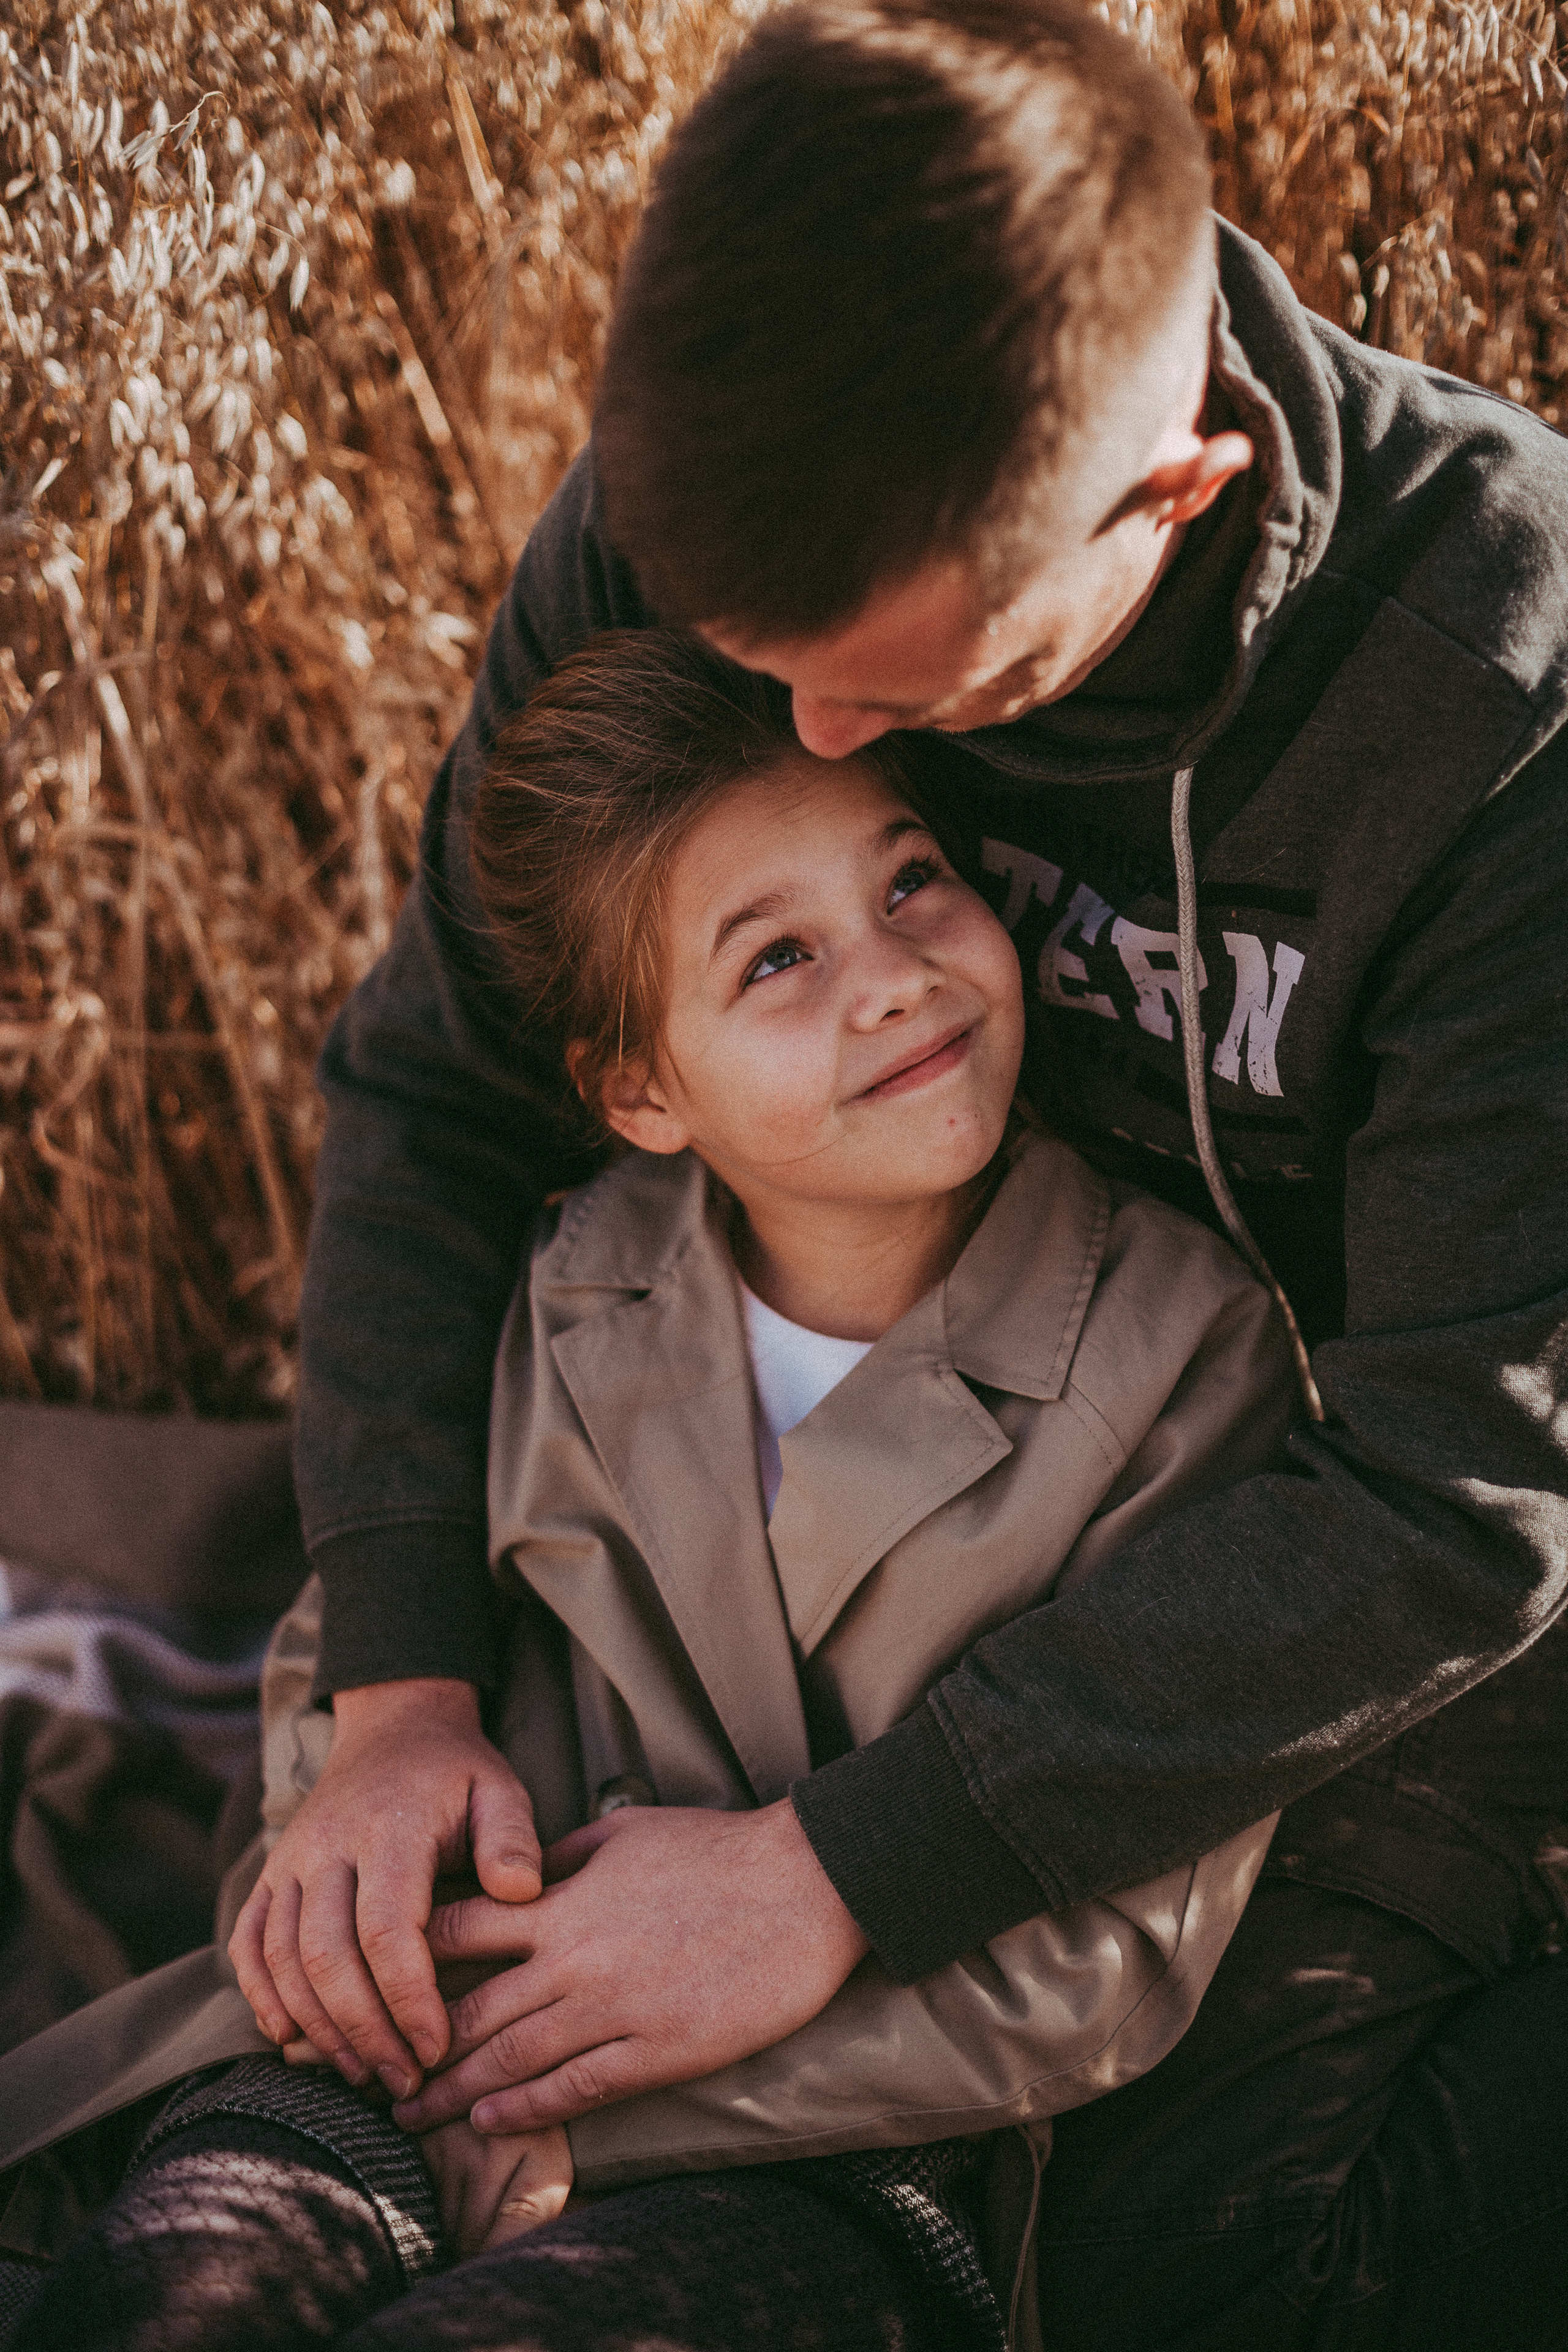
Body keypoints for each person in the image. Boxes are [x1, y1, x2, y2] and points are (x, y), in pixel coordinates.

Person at [51, 0, 1568, 2340]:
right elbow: (447, 1093)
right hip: (876, 1544)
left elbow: (1467, 1493)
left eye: (916, 710)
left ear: (1166, 500)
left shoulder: (1498, 708)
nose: (824, 740)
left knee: (1204, 2271)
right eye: (772, 667)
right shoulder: (704, 537)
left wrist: (836, 1875)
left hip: (1382, 1563)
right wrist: (402, 1699)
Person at [1, 631, 1294, 2348]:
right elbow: (356, 1687)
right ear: (643, 1092)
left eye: (912, 883)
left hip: (835, 2147)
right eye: (778, 959)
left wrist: (592, 2103)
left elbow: (1102, 1959)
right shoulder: (562, 1285)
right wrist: (396, 1979)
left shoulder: (1185, 1353)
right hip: (413, 2068)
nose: (895, 975)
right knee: (170, 2300)